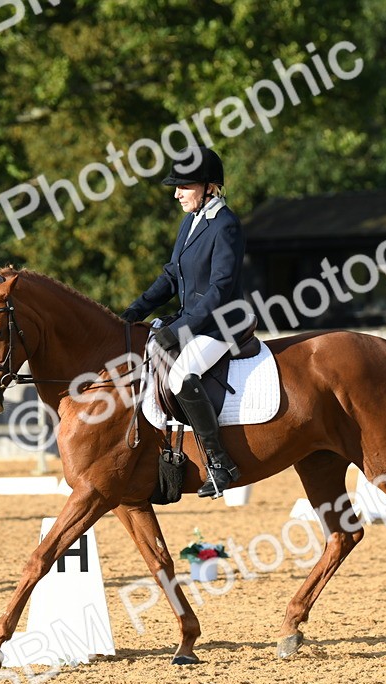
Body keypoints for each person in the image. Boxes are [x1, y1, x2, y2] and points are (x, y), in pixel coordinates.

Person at [121, 147, 248, 498]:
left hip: (223, 323)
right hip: (193, 319)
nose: (176, 194)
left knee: (180, 376)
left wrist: (178, 331)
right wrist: (133, 312)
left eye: (184, 187)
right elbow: (170, 277)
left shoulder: (226, 225)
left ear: (209, 187)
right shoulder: (190, 221)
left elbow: (219, 290)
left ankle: (220, 463)